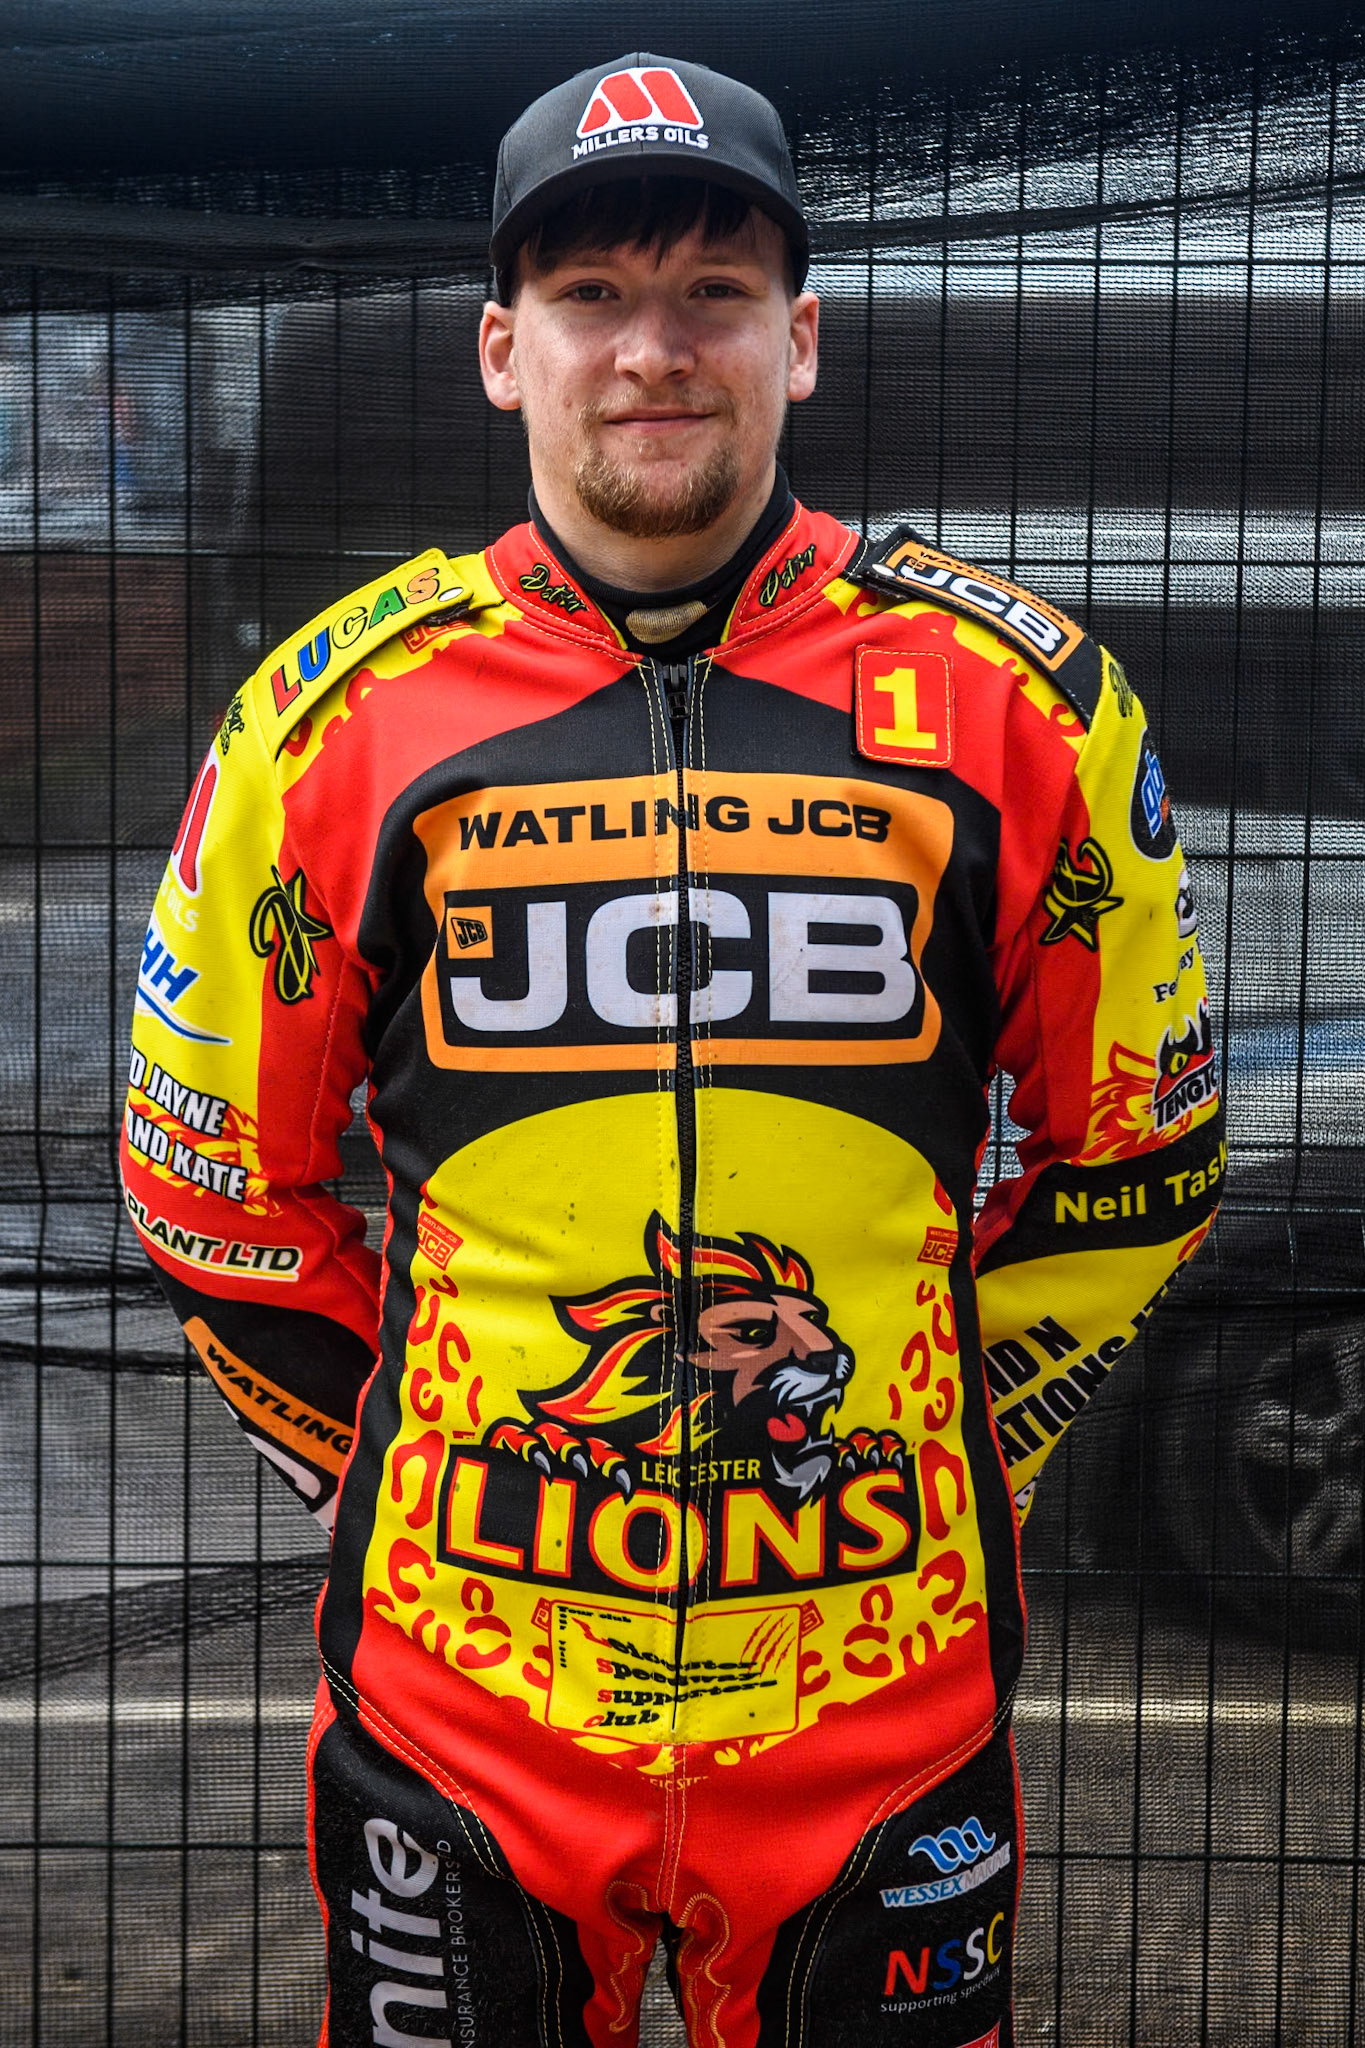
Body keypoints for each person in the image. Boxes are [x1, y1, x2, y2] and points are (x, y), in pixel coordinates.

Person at [120, 52, 1224, 2048]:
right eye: (590, 297)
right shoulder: (327, 719)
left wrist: (970, 1428)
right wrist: (391, 1456)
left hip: (875, 1714)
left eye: (712, 291)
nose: (652, 350)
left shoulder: (1018, 704)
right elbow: (210, 1177)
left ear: (796, 342)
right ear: (497, 348)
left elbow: (1138, 1151)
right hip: (471, 1712)